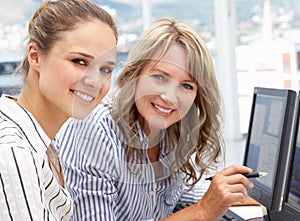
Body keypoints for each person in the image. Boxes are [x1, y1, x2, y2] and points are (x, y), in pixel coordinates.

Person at [55, 17, 253, 221]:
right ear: (135, 74)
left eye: (186, 86)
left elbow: (177, 194)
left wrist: (236, 193)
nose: (169, 97)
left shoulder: (167, 130)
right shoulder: (95, 130)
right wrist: (202, 212)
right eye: (159, 77)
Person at [0, 0, 118, 220]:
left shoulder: (43, 143)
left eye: (105, 69)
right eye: (79, 61)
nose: (94, 80)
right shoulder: (15, 152)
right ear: (35, 56)